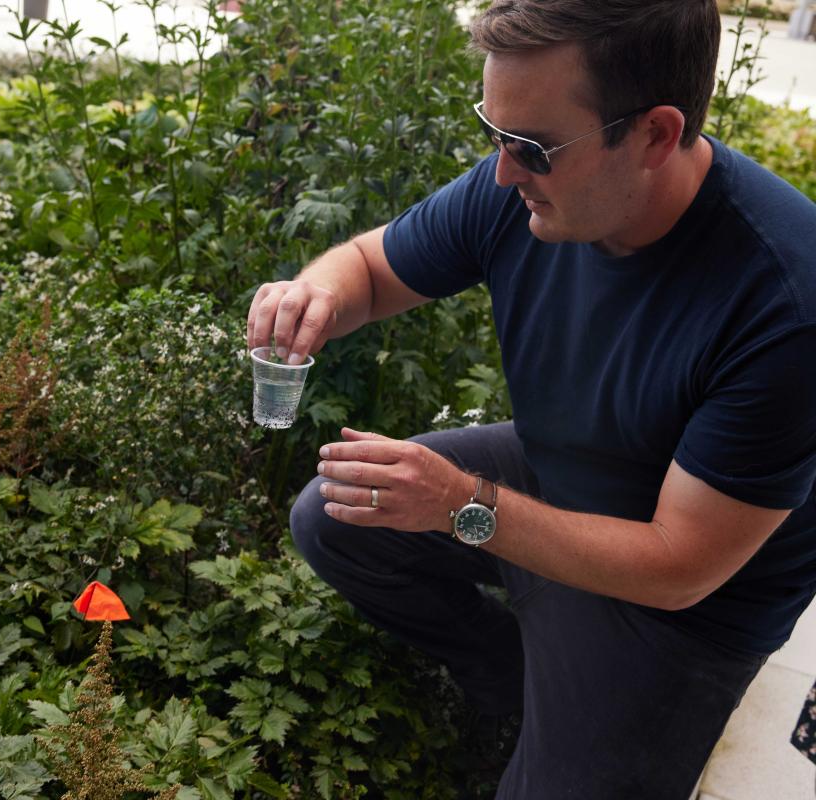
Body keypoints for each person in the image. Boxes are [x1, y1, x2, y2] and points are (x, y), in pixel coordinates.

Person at [246, 1, 816, 797]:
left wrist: (462, 507)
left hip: (679, 609)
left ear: (654, 134)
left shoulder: (785, 305)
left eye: (533, 147)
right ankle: (512, 680)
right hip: (563, 467)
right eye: (493, 131)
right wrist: (315, 297)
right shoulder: (522, 189)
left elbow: (676, 568)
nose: (504, 171)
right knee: (333, 517)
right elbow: (370, 270)